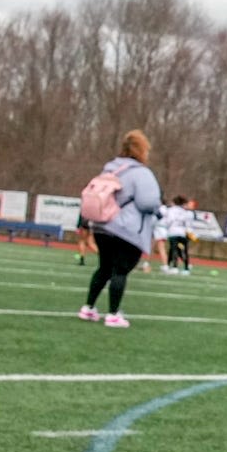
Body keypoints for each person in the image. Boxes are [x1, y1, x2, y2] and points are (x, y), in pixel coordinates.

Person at [78, 129, 161, 329]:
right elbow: (147, 202)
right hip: (127, 228)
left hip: (102, 226)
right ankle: (113, 314)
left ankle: (88, 307)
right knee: (121, 271)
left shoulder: (109, 169)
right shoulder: (141, 173)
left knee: (104, 268)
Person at [161, 195, 192, 275]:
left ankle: (175, 267)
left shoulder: (171, 210)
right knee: (184, 251)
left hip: (173, 233)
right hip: (183, 234)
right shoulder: (185, 212)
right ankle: (186, 268)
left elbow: (168, 221)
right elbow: (188, 224)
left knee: (174, 249)